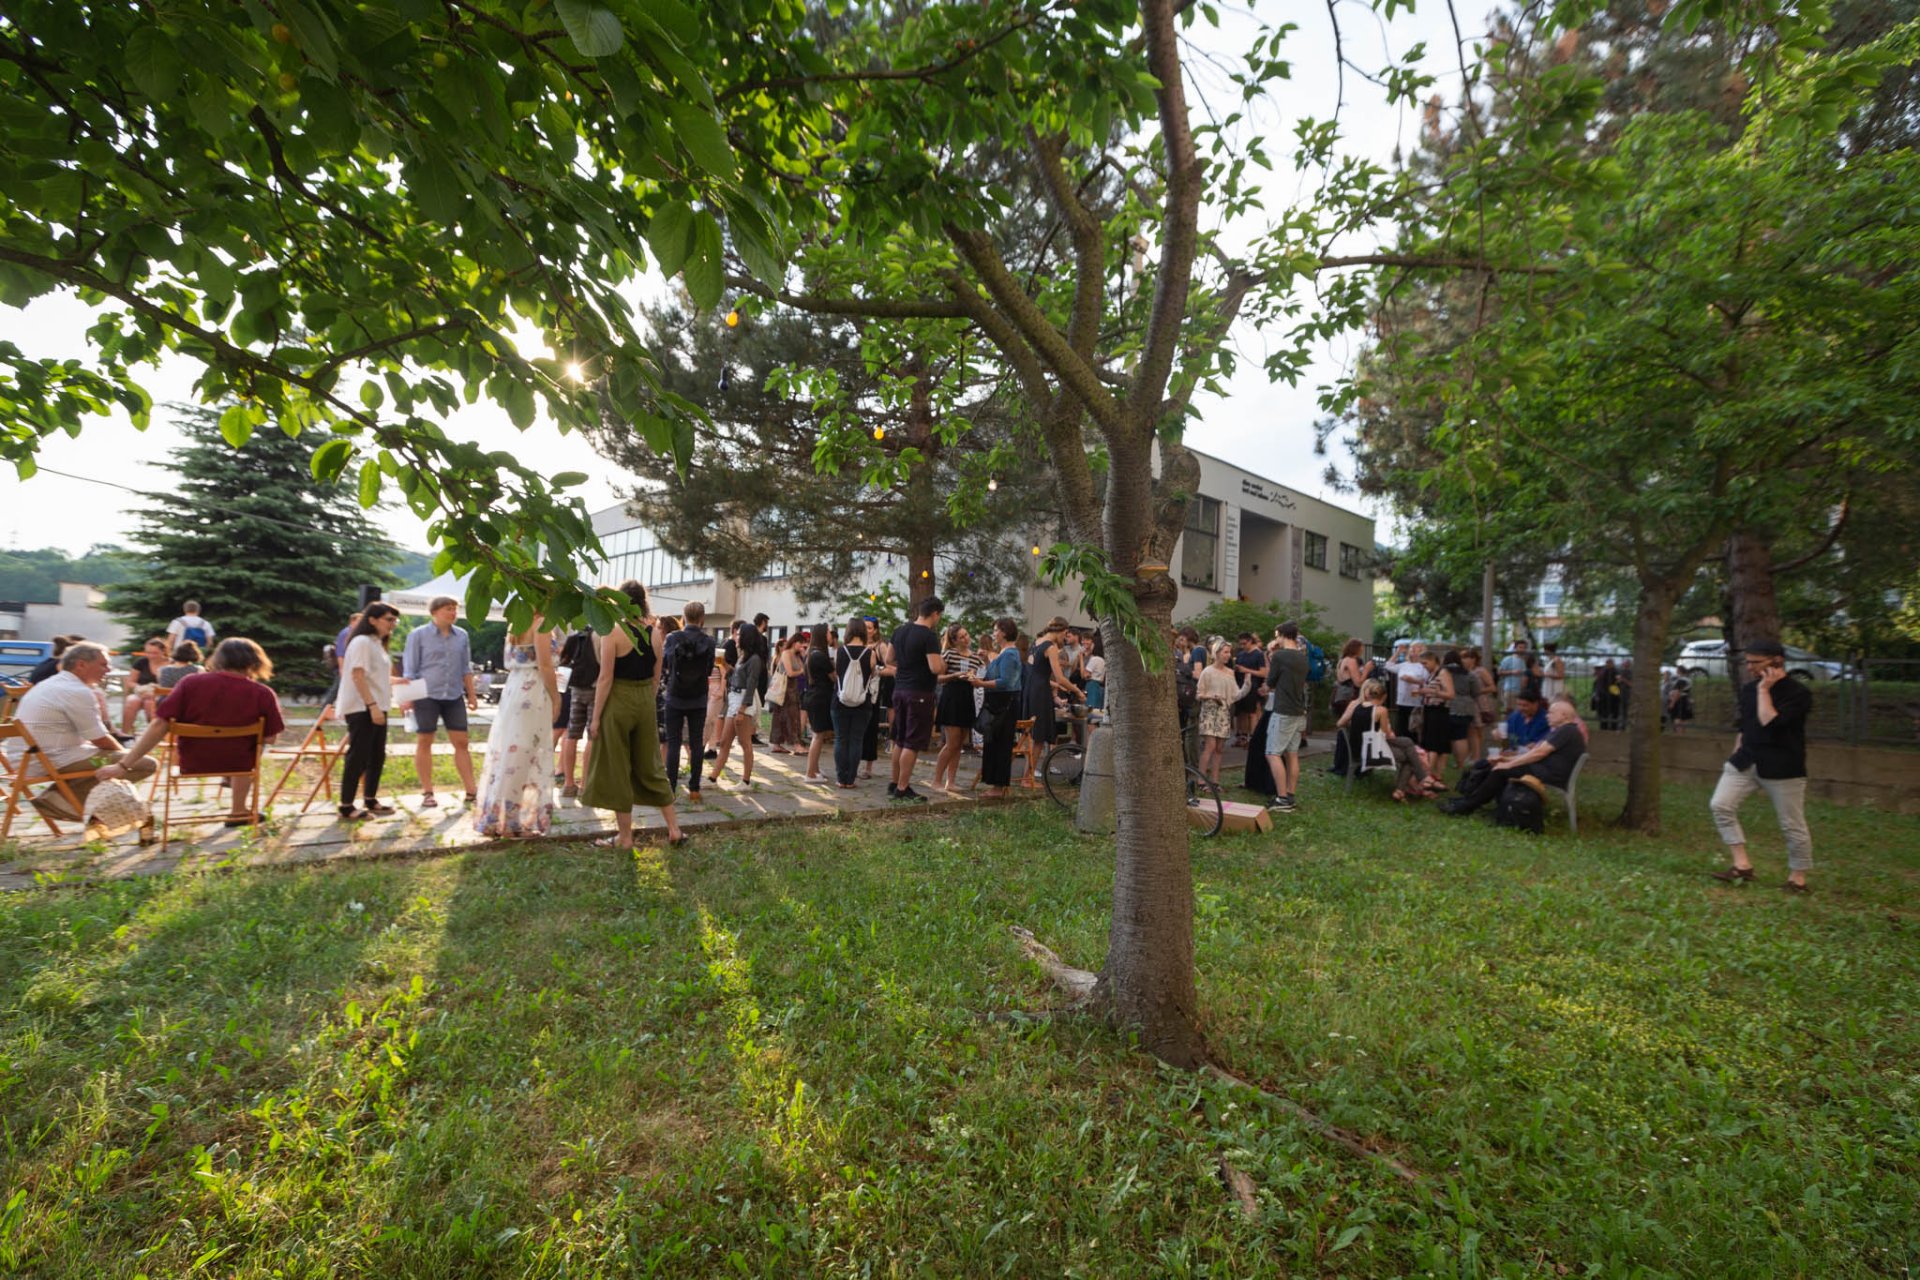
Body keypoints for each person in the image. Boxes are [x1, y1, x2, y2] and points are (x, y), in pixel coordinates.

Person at [98, 638, 286, 826]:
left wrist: (123, 765)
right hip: (239, 764)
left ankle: (233, 797)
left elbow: (159, 724)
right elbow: (271, 738)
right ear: (256, 662)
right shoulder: (263, 693)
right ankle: (238, 810)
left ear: (218, 659)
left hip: (193, 762)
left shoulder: (191, 683)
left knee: (240, 750)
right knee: (250, 748)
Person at [3, 642, 159, 826]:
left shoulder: (49, 684)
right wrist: (124, 759)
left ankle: (70, 802)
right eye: (103, 664)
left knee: (114, 760)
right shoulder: (76, 691)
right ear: (81, 665)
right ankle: (58, 801)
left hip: (25, 758)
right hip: (49, 759)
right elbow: (100, 739)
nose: (109, 669)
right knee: (144, 763)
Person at [581, 581, 684, 849]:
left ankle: (625, 837)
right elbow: (656, 676)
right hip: (645, 702)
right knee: (652, 766)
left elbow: (605, 678)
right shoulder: (655, 633)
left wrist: (595, 718)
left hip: (618, 700)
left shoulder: (612, 631)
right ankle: (674, 829)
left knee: (617, 769)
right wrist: (646, 701)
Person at [1709, 642, 1815, 892]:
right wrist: (1735, 753)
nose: (1749, 667)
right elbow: (1745, 726)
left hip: (1782, 766)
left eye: (1755, 662)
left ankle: (1797, 879)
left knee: (1792, 824)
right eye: (1747, 662)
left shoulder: (1798, 693)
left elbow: (1770, 721)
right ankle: (1742, 865)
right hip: (1745, 760)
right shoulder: (1748, 690)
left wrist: (1765, 689)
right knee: (1720, 805)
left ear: (1777, 661)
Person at [471, 615, 559, 838]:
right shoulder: (542, 623)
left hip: (515, 687)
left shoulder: (517, 623)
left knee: (510, 755)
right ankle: (511, 822)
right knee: (522, 756)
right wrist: (557, 698)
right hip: (533, 689)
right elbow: (545, 664)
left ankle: (498, 817)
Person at [1443, 695, 1587, 817]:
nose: (1547, 715)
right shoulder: (1563, 730)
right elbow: (1534, 752)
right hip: (1544, 770)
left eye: (1551, 713)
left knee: (1501, 771)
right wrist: (1505, 759)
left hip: (1550, 774)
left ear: (1563, 715)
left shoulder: (1566, 731)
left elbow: (1539, 753)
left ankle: (1468, 805)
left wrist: (1508, 764)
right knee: (1498, 766)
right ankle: (1476, 802)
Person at [400, 596, 479, 807]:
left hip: (453, 695)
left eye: (455, 609)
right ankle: (428, 792)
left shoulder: (462, 635)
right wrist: (407, 698)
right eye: (448, 609)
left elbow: (466, 668)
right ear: (435, 612)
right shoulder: (418, 635)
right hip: (426, 695)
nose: (453, 613)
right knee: (425, 741)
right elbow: (410, 669)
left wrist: (472, 695)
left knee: (462, 742)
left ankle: (471, 791)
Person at [335, 604, 400, 819]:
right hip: (363, 706)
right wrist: (372, 706)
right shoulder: (362, 641)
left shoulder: (376, 643)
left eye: (395, 620)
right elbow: (358, 675)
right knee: (359, 755)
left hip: (378, 705)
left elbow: (375, 676)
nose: (393, 624)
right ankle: (346, 805)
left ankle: (370, 799)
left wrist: (397, 682)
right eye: (389, 619)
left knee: (376, 755)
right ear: (372, 620)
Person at [1336, 678, 1443, 801]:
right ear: (1384, 697)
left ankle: (1420, 780)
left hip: (1360, 748)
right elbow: (1386, 735)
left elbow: (1342, 724)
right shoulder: (1381, 710)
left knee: (1408, 742)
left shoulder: (1356, 706)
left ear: (1368, 693)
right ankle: (1403, 789)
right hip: (1372, 752)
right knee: (1410, 757)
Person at [888, 597, 948, 803]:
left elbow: (888, 659)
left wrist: (906, 666)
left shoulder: (899, 631)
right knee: (912, 742)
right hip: (919, 693)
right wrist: (943, 664)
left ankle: (894, 782)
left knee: (900, 739)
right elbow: (935, 668)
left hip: (900, 690)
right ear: (935, 614)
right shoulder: (929, 636)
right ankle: (903, 788)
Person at [659, 601, 716, 802]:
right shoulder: (709, 641)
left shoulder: (672, 638)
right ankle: (694, 789)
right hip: (698, 697)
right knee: (696, 743)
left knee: (673, 743)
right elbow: (709, 669)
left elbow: (665, 664)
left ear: (683, 617)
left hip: (675, 696)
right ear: (702, 619)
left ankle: (671, 789)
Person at [968, 618, 1023, 797]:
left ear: (1004, 632)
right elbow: (995, 674)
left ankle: (998, 787)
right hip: (997, 703)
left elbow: (1005, 682)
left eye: (996, 630)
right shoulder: (1003, 653)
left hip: (1004, 704)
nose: (994, 634)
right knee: (993, 743)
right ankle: (994, 784)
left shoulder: (1010, 654)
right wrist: (985, 663)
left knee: (1000, 744)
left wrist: (980, 684)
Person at [709, 619, 767, 787]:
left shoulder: (754, 659)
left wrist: (742, 710)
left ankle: (746, 781)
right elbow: (736, 675)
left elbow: (751, 685)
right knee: (725, 742)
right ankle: (713, 778)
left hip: (743, 703)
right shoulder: (743, 656)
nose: (736, 637)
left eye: (740, 635)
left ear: (747, 637)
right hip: (734, 699)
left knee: (745, 743)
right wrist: (724, 664)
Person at [1263, 622, 1311, 813]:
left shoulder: (1280, 656)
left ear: (1282, 635)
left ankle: (1282, 798)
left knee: (1272, 753)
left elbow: (1270, 681)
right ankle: (1290, 795)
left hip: (1283, 710)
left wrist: (1270, 654)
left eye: (1277, 636)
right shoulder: (1302, 657)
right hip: (1298, 710)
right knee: (1292, 753)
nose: (1276, 639)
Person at [830, 619, 878, 789]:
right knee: (856, 740)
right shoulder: (870, 653)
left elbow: (837, 675)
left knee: (841, 739)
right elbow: (872, 675)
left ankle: (840, 778)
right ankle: (850, 780)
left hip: (840, 701)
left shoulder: (840, 651)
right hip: (862, 702)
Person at [930, 622, 978, 793]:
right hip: (951, 698)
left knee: (959, 745)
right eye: (961, 637)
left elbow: (980, 676)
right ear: (954, 640)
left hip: (967, 698)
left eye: (966, 635)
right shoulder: (949, 654)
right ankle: (936, 780)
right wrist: (955, 675)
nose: (966, 638)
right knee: (951, 743)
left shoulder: (975, 657)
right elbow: (938, 678)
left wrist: (975, 678)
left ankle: (951, 781)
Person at [1197, 642, 1251, 788]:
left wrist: (1247, 685)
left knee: (1219, 748)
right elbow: (1199, 694)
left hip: (1223, 713)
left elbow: (1235, 695)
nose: (1228, 655)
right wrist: (1211, 696)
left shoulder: (1230, 673)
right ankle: (1201, 780)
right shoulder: (1207, 672)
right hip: (1209, 712)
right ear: (1216, 653)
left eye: (1229, 652)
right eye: (1225, 652)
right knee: (1210, 746)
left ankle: (1215, 782)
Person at [556, 625, 600, 796]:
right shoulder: (600, 636)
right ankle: (585, 784)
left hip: (575, 689)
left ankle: (568, 784)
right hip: (595, 689)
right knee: (592, 735)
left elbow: (563, 661)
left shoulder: (574, 638)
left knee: (572, 735)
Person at [799, 623, 837, 782]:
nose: (830, 634)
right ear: (822, 635)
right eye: (828, 632)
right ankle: (810, 773)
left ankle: (814, 769)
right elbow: (834, 677)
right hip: (820, 698)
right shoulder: (820, 656)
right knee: (818, 736)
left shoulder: (811, 653)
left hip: (813, 697)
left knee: (818, 735)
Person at [120, 636, 171, 733]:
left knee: (150, 703)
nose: (151, 656)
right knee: (131, 701)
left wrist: (155, 692)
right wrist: (141, 688)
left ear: (163, 651)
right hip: (142, 691)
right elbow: (130, 681)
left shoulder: (171, 664)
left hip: (162, 694)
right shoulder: (142, 662)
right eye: (148, 652)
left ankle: (152, 734)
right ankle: (124, 733)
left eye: (155, 653)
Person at [769, 633, 805, 754]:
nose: (802, 646)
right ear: (794, 642)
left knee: (789, 716)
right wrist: (800, 671)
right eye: (801, 644)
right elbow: (790, 673)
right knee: (787, 716)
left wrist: (803, 656)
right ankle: (794, 744)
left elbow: (803, 669)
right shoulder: (786, 653)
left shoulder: (797, 655)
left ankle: (779, 744)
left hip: (793, 689)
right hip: (784, 688)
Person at [1231, 633, 1267, 747]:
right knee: (1240, 713)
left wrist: (1246, 670)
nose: (1242, 646)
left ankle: (1253, 738)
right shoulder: (1240, 654)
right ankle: (1242, 737)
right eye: (1240, 644)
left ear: (1250, 641)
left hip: (1253, 686)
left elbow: (1263, 672)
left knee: (1252, 713)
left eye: (1244, 644)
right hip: (1240, 685)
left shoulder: (1258, 654)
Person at [320, 612, 363, 709]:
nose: (361, 623)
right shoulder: (346, 633)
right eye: (359, 621)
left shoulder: (353, 633)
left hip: (348, 665)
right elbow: (340, 652)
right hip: (344, 666)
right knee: (336, 689)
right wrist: (341, 669)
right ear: (352, 621)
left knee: (342, 689)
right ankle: (324, 710)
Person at [1389, 642, 1427, 738]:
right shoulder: (1404, 665)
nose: (1413, 649)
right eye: (1411, 647)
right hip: (1402, 701)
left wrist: (1412, 680)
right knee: (1401, 729)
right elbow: (1388, 666)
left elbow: (1425, 681)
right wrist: (1398, 652)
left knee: (1413, 730)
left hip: (1415, 703)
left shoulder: (1423, 666)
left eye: (1416, 647)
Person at [1498, 638, 1531, 712]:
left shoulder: (1524, 660)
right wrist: (1512, 672)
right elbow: (1499, 672)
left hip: (1521, 690)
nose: (1522, 649)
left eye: (1524, 648)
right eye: (1520, 647)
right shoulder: (1508, 659)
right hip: (1510, 689)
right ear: (1515, 648)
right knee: (1509, 711)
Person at [1592, 658, 1625, 731]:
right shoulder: (1604, 671)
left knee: (1614, 713)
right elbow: (1598, 681)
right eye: (1608, 663)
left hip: (1613, 695)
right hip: (1605, 695)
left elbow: (1618, 681)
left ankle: (1612, 727)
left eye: (1610, 663)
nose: (1609, 664)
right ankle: (1605, 727)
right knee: (1605, 714)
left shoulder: (1615, 671)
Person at [1083, 631, 1107, 715]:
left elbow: (1085, 675)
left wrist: (1081, 659)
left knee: (1090, 711)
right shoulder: (1103, 660)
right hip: (1099, 686)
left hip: (1092, 685)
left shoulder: (1094, 659)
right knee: (1097, 712)